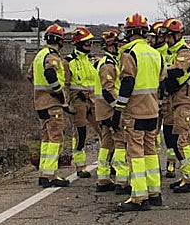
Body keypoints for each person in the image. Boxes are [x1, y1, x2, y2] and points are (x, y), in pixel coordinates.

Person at [111, 13, 163, 212]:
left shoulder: (129, 53)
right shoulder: (155, 53)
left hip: (135, 112)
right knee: (151, 151)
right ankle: (154, 193)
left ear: (130, 33)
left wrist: (118, 110)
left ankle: (139, 197)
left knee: (135, 153)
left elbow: (127, 83)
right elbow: (161, 81)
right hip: (152, 111)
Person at [163, 18, 190, 192]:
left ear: (178, 34)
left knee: (183, 140)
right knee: (173, 139)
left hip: (186, 102)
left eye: (169, 36)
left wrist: (161, 73)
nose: (166, 39)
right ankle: (186, 176)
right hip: (176, 102)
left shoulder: (184, 52)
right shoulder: (170, 52)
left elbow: (178, 72)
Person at [31, 23, 70, 187]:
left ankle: (43, 173)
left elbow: (30, 75)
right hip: (52, 103)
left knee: (46, 139)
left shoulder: (39, 55)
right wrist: (59, 93)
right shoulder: (52, 56)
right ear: (59, 40)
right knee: (56, 139)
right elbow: (50, 73)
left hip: (40, 103)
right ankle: (51, 176)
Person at [92, 29, 127, 193]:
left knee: (106, 144)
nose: (122, 47)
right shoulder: (108, 64)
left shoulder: (111, 62)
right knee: (120, 144)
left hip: (104, 111)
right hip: (110, 111)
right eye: (120, 44)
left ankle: (103, 178)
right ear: (111, 46)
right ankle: (122, 181)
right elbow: (108, 90)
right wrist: (118, 109)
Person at [64, 26, 99, 179]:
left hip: (93, 99)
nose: (89, 45)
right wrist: (66, 103)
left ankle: (110, 163)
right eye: (86, 42)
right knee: (80, 133)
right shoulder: (68, 62)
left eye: (90, 42)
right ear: (77, 43)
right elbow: (64, 84)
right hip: (78, 99)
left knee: (104, 130)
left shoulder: (91, 60)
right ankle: (80, 166)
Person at [152, 19, 178, 178]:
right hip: (153, 98)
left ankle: (171, 163)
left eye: (153, 37)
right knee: (151, 134)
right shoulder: (150, 53)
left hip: (168, 98)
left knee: (169, 132)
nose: (151, 40)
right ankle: (153, 165)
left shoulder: (169, 53)